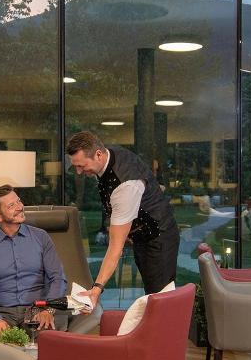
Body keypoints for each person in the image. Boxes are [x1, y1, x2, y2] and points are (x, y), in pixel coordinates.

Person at [67, 131, 179, 307]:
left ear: (98, 154)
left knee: (160, 300)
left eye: (82, 166)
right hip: (143, 233)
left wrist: (96, 289)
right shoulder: (108, 155)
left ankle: (168, 325)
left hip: (159, 238)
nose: (79, 172)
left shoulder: (125, 186)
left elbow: (115, 249)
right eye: (76, 166)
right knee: (152, 296)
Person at [0, 185, 69, 338]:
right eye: (11, 205)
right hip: (2, 313)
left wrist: (48, 309)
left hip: (38, 310)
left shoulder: (41, 237)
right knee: (1, 346)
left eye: (18, 201)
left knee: (47, 339)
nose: (20, 207)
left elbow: (58, 278)